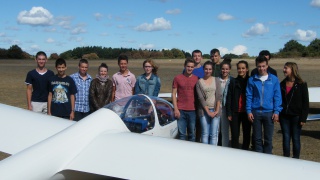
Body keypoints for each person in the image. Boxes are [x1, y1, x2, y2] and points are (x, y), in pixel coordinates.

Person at [246, 55, 282, 154]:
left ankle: (268, 157)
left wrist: (276, 111)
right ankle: (259, 158)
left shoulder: (273, 79)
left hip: (269, 112)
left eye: (263, 66)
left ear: (267, 65)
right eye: (259, 66)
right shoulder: (252, 80)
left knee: (268, 139)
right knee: (257, 138)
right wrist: (249, 111)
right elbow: (249, 96)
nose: (261, 68)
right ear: (256, 66)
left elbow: (277, 96)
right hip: (256, 112)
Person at [279, 62, 309, 159]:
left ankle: (296, 158)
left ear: (292, 70)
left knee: (296, 138)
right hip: (284, 116)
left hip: (296, 116)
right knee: (286, 138)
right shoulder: (282, 84)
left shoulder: (301, 84)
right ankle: (286, 158)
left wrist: (303, 118)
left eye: (286, 68)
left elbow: (305, 102)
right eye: (284, 68)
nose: (284, 70)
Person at [226, 60, 251, 150]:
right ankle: (235, 151)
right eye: (239, 68)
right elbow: (229, 97)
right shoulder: (233, 81)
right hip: (235, 112)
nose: (241, 70)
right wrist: (229, 112)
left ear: (247, 69)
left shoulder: (250, 81)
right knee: (235, 134)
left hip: (247, 112)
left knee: (247, 133)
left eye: (243, 68)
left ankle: (245, 150)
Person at [172, 58, 198, 141]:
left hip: (193, 110)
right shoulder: (177, 78)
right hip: (181, 110)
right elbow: (173, 94)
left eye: (192, 67)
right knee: (182, 135)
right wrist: (176, 109)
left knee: (192, 134)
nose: (190, 68)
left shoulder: (196, 79)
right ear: (184, 66)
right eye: (188, 66)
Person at [196, 61, 222, 145]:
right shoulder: (199, 82)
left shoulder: (216, 80)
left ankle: (213, 154)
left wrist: (217, 110)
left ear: (212, 70)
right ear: (203, 69)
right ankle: (205, 153)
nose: (208, 71)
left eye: (210, 69)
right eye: (206, 69)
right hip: (204, 111)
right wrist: (208, 112)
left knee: (213, 134)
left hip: (215, 110)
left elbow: (219, 96)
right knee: (205, 133)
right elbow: (201, 99)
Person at [219, 58, 233, 147]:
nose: (225, 71)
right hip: (216, 107)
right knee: (216, 130)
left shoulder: (232, 81)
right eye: (223, 69)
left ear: (229, 70)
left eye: (227, 69)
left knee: (224, 130)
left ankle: (225, 148)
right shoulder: (216, 80)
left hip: (226, 109)